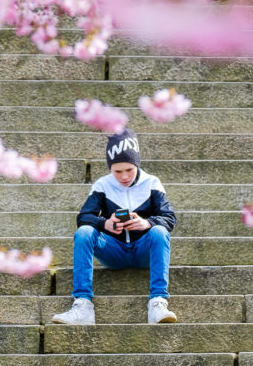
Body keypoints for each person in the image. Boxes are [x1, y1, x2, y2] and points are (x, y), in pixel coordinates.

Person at [51, 128, 178, 325]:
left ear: (137, 164)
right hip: (113, 251)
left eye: (129, 170)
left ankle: (158, 301)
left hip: (143, 250)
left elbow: (169, 218)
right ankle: (82, 304)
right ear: (110, 167)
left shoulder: (152, 183)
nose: (124, 176)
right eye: (117, 171)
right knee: (84, 232)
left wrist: (147, 223)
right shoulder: (102, 185)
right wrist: (105, 223)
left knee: (159, 231)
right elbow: (83, 217)